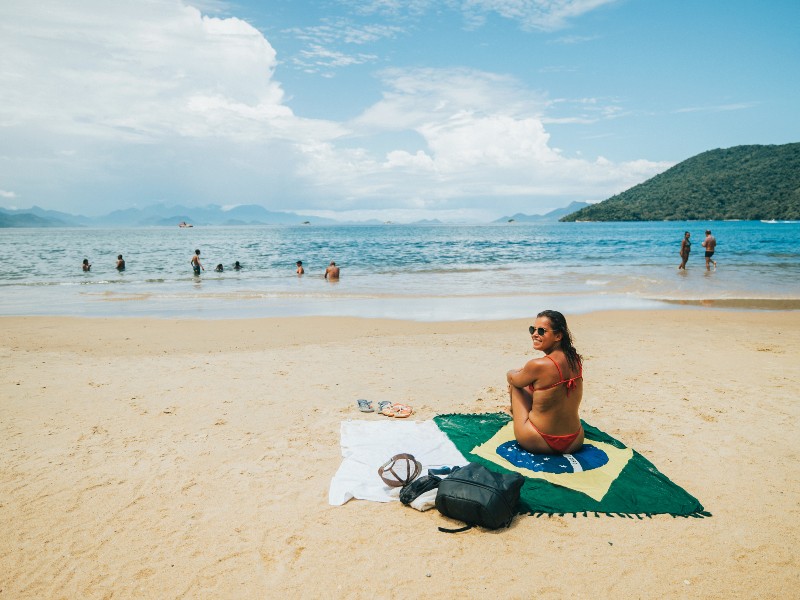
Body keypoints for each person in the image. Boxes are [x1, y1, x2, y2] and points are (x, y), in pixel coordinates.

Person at [506, 310, 584, 455]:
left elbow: (513, 379)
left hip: (538, 440)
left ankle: (515, 415)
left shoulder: (538, 365)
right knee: (536, 386)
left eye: (541, 331)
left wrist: (512, 372)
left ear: (558, 336)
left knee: (515, 386)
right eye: (533, 329)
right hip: (575, 440)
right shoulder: (575, 358)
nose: (534, 334)